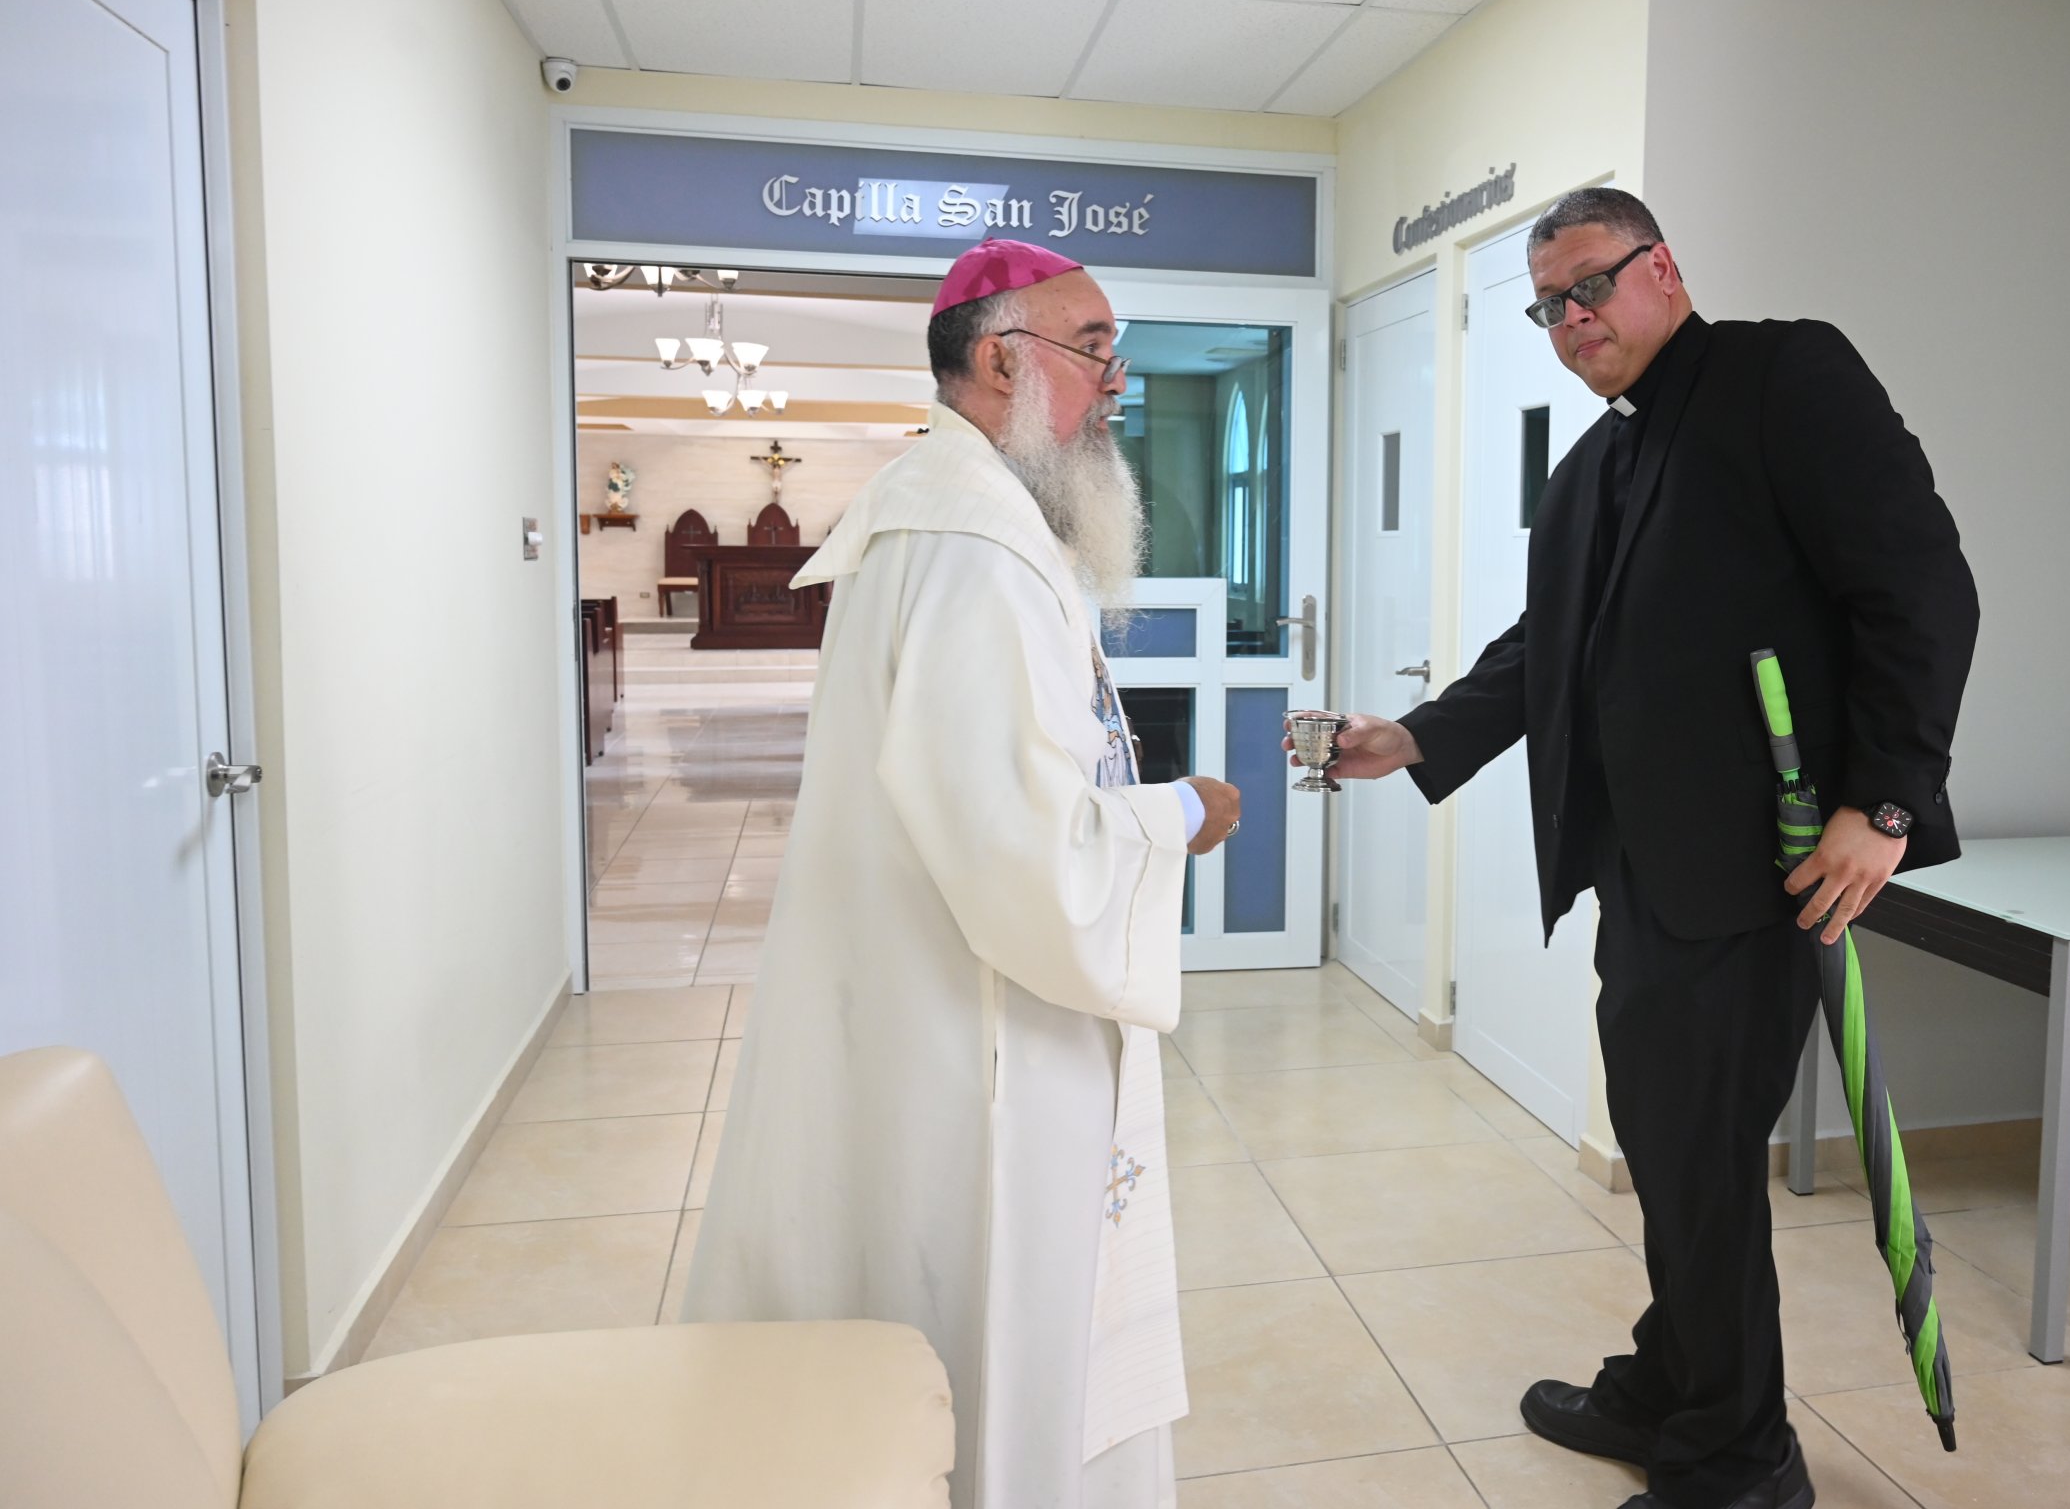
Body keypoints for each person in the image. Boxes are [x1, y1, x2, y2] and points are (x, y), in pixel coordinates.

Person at [1312, 188, 1979, 1509]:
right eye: (1547, 305)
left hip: (1768, 870)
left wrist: (1887, 800)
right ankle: (1671, 1382)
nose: (1571, 318)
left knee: (1701, 1163)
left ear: (1661, 267)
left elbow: (1920, 584)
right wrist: (1417, 735)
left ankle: (1740, 1458)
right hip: (1646, 877)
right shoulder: (1592, 471)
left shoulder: (1785, 378)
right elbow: (1545, 651)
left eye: (1590, 285)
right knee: (1673, 1147)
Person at [685, 237, 1240, 1509]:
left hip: (917, 998)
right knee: (997, 1312)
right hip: (984, 1029)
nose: (1116, 381)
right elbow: (1022, 851)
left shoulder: (942, 510)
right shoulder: (978, 548)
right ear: (999, 361)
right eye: (1092, 349)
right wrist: (1177, 815)